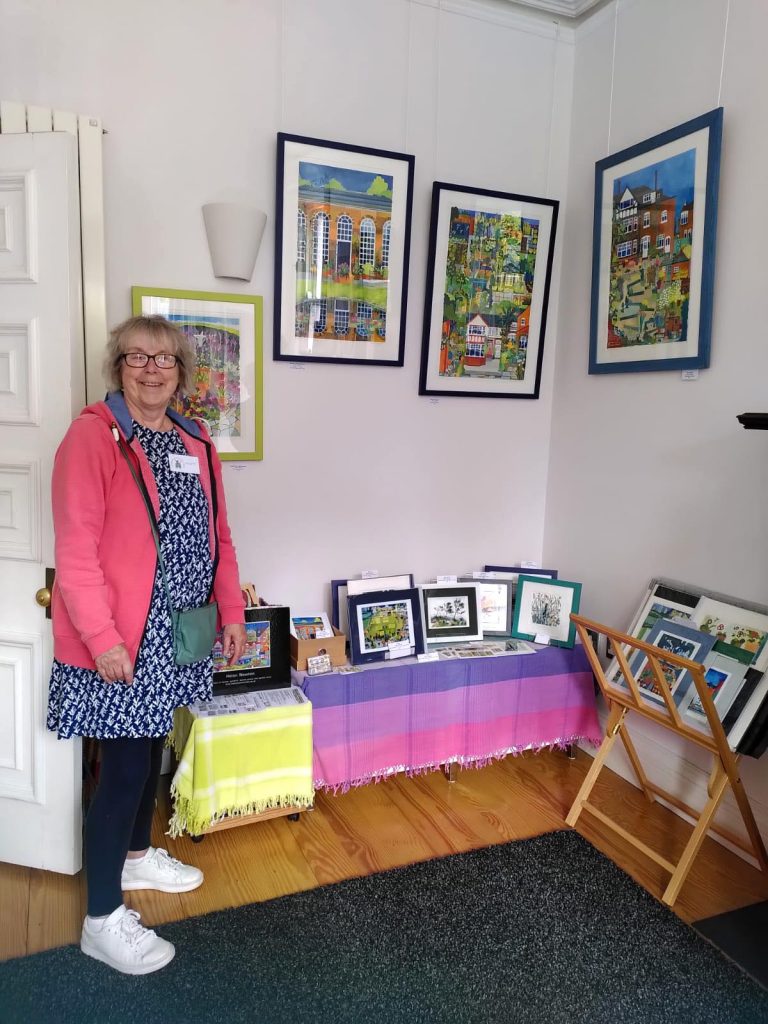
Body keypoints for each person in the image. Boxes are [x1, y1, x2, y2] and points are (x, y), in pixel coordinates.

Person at [47, 314, 246, 975]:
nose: (153, 368)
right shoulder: (94, 436)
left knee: (154, 747)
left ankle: (136, 859)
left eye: (165, 359)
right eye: (138, 357)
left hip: (182, 629)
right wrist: (102, 638)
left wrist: (232, 611)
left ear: (181, 372)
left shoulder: (197, 441)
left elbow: (220, 539)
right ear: (119, 367)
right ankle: (101, 918)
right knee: (125, 770)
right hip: (124, 639)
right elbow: (75, 551)